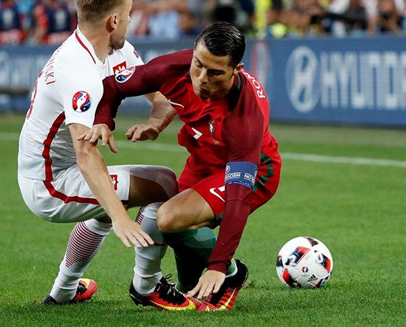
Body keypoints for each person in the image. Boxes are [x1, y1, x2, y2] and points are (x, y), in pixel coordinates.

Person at [17, 0, 199, 311]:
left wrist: (155, 124)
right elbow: (86, 154)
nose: (130, 21)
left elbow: (160, 96)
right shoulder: (77, 70)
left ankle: (63, 291)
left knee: (112, 193)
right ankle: (147, 286)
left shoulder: (116, 51)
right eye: (129, 16)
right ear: (114, 20)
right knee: (163, 184)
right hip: (47, 184)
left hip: (64, 168)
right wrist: (119, 216)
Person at [82, 22, 282, 312]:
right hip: (202, 160)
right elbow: (112, 86)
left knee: (168, 217)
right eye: (198, 65)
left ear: (236, 70)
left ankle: (232, 275)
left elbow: (238, 198)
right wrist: (104, 120)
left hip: (255, 171)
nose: (201, 78)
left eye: (214, 73)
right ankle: (191, 286)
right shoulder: (172, 68)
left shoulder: (245, 116)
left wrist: (218, 264)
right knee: (170, 224)